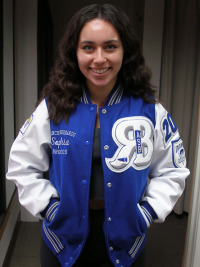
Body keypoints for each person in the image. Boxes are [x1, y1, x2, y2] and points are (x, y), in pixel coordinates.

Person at [7, 4, 190, 267]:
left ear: (124, 51)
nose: (99, 58)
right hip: (62, 238)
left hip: (127, 240)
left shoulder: (150, 111)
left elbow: (173, 171)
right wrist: (50, 209)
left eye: (110, 47)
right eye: (88, 47)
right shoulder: (52, 108)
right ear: (75, 52)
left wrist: (147, 213)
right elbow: (22, 167)